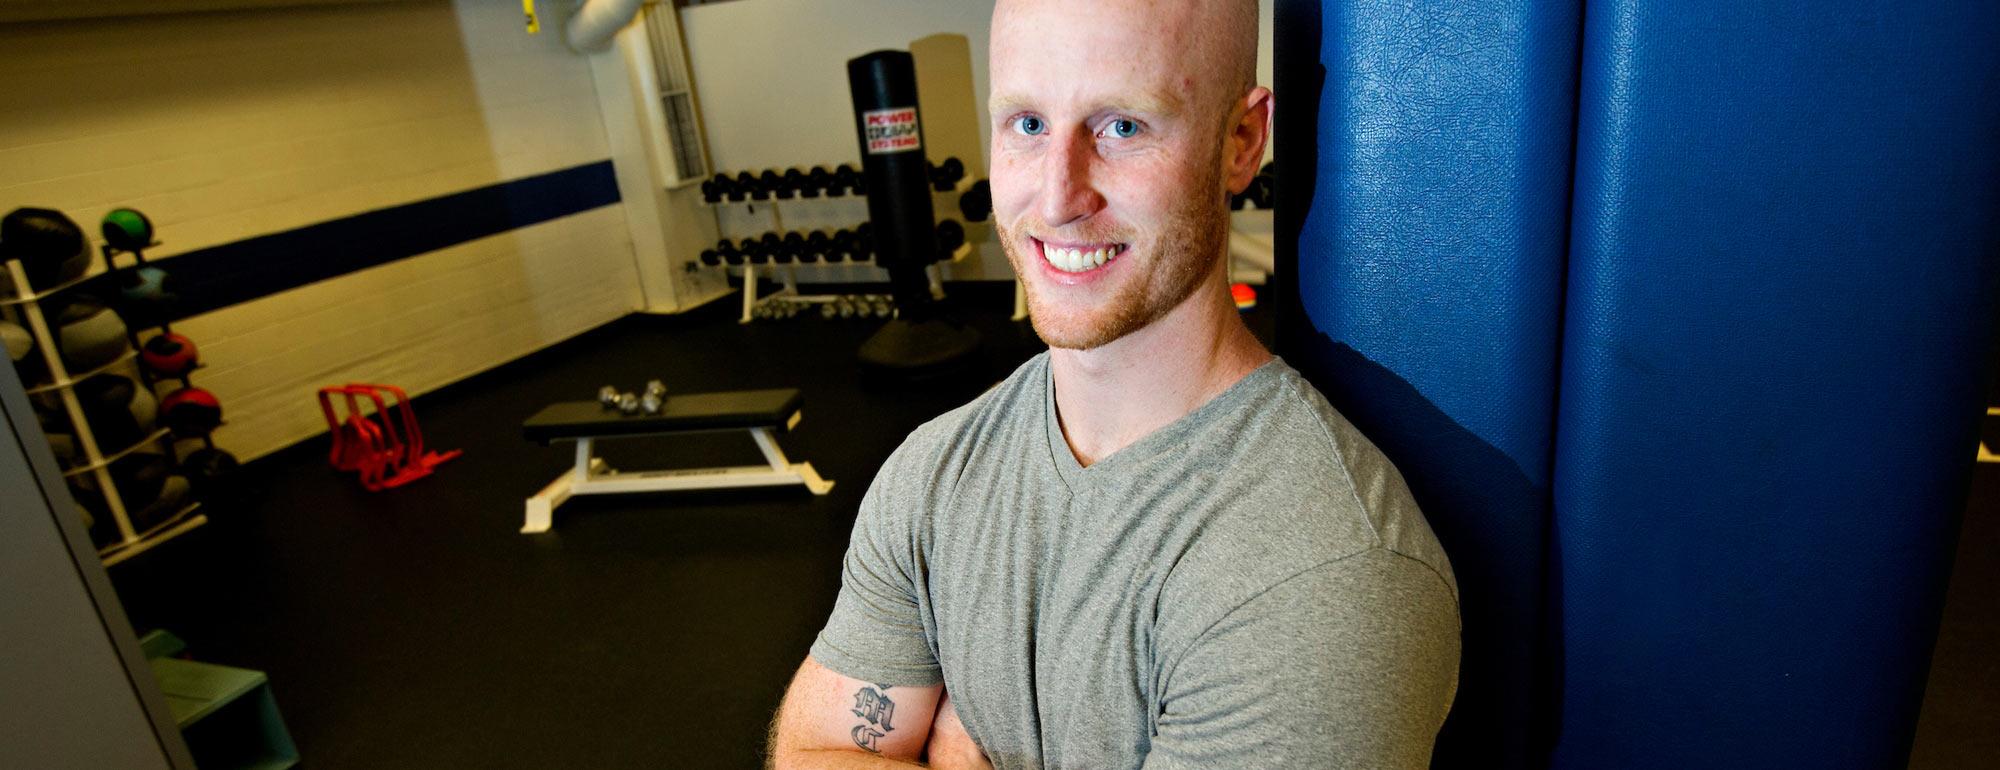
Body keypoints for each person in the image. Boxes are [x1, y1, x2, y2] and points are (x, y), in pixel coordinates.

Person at [767, 0, 1460, 767]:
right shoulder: (932, 474)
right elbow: (812, 752)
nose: (1059, 198)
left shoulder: (1322, 574)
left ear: (1241, 141)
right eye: (1027, 124)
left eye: (1122, 127)